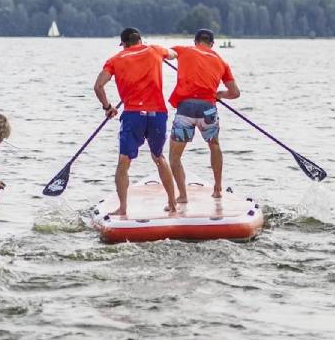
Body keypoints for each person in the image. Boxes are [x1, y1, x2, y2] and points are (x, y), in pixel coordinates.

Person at [94, 27, 177, 215]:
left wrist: (108, 107)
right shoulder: (155, 50)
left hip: (133, 115)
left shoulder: (115, 60)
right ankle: (172, 204)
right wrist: (161, 54)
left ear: (124, 44)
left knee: (124, 161)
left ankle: (123, 208)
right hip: (157, 114)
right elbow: (174, 54)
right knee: (159, 157)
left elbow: (98, 86)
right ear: (140, 40)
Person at [167, 28, 240, 201]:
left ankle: (183, 195)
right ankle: (217, 189)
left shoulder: (183, 50)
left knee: (174, 156)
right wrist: (219, 94)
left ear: (195, 42)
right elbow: (235, 93)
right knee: (214, 145)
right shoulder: (222, 62)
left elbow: (165, 54)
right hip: (208, 109)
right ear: (212, 44)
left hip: (186, 108)